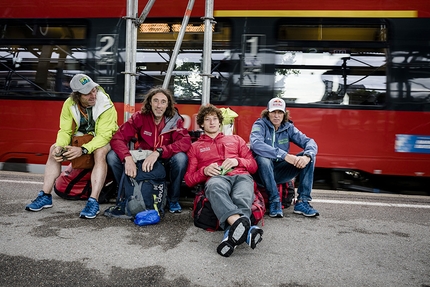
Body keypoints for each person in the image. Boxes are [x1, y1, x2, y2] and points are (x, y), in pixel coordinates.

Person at [25, 74, 118, 219]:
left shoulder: (106, 104)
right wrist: (60, 146)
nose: (93, 95)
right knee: (53, 149)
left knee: (100, 153)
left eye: (94, 90)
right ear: (77, 95)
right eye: (87, 93)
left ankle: (93, 201)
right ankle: (45, 196)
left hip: (100, 139)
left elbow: (104, 135)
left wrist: (83, 150)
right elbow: (65, 130)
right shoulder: (69, 104)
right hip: (80, 139)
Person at [185, 104, 263, 257]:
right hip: (217, 178)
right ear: (201, 123)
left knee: (241, 197)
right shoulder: (195, 147)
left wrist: (237, 161)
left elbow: (253, 166)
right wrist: (204, 171)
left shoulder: (236, 139)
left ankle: (230, 237)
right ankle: (246, 230)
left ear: (220, 122)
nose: (212, 122)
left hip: (241, 176)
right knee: (214, 186)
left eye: (215, 119)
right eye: (207, 119)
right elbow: (188, 179)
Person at [105, 86, 191, 215]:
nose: (159, 105)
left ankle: (173, 199)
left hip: (163, 159)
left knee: (181, 158)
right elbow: (117, 139)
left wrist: (160, 151)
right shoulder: (139, 117)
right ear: (149, 102)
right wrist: (127, 158)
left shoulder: (174, 120)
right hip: (142, 158)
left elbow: (185, 142)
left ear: (168, 105)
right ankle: (126, 194)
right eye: (155, 101)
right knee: (112, 156)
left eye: (163, 102)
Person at [250, 97, 319, 218]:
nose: (276, 116)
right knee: (263, 159)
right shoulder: (260, 125)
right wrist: (284, 155)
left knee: (309, 157)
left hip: (280, 171)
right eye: (273, 112)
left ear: (284, 114)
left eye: (280, 112)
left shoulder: (288, 127)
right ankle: (274, 201)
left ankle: (302, 202)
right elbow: (256, 144)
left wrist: (307, 156)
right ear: (268, 113)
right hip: (261, 173)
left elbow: (310, 142)